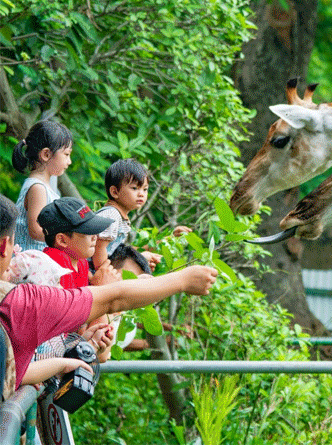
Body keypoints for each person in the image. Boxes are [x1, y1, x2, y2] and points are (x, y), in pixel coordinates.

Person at [0, 194, 217, 396]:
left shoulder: (80, 266)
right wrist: (183, 280)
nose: (96, 236)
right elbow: (112, 299)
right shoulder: (51, 270)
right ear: (63, 240)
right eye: (87, 231)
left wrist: (77, 348)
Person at [94, 158, 188, 271]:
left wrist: (169, 239)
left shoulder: (119, 216)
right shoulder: (111, 216)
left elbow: (124, 253)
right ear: (115, 192)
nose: (141, 194)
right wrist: (104, 278)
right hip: (92, 274)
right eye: (134, 188)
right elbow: (99, 250)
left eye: (145, 189)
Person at [11, 120, 73, 253]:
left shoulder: (45, 187)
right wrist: (66, 240)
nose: (69, 161)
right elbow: (35, 230)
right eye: (66, 154)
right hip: (29, 262)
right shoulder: (37, 188)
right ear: (46, 154)